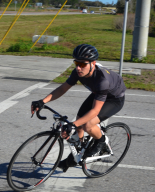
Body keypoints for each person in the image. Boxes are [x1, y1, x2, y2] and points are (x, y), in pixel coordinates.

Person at [31, 44, 126, 172]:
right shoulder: (78, 72)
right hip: (97, 94)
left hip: (114, 99)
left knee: (87, 125)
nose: (78, 67)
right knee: (79, 120)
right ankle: (78, 153)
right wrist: (43, 101)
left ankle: (101, 141)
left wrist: (73, 125)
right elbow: (62, 88)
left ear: (93, 63)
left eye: (83, 64)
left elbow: (95, 111)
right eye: (76, 63)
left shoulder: (102, 80)